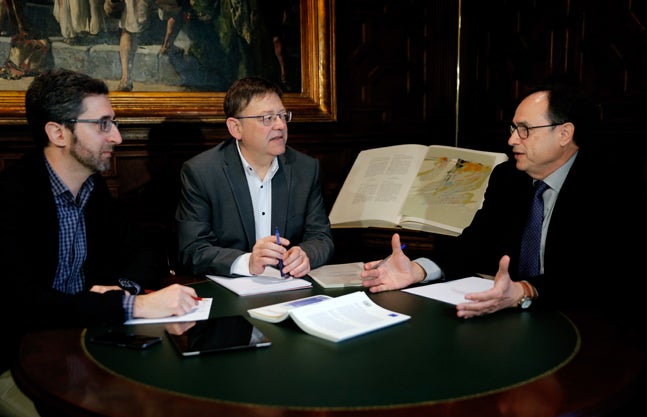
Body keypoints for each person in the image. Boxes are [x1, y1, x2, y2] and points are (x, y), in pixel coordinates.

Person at [0, 68, 199, 417]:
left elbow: (143, 254)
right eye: (103, 124)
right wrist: (130, 306)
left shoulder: (95, 189)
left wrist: (120, 290)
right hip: (18, 362)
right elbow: (25, 304)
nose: (118, 138)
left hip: (88, 344)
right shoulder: (11, 195)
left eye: (114, 123)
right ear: (58, 132)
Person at [360, 82, 641, 321]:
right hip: (516, 320)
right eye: (513, 128)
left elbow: (597, 275)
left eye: (524, 129)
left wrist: (525, 290)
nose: (511, 140)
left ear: (564, 134)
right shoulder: (508, 178)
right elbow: (474, 244)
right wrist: (419, 269)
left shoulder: (609, 184)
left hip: (590, 325)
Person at [176, 76, 334, 279]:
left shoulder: (305, 168)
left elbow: (321, 238)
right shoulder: (202, 172)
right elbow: (192, 250)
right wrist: (247, 262)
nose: (280, 125)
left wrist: (306, 255)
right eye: (267, 118)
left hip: (287, 287)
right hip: (229, 291)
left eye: (282, 116)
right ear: (236, 128)